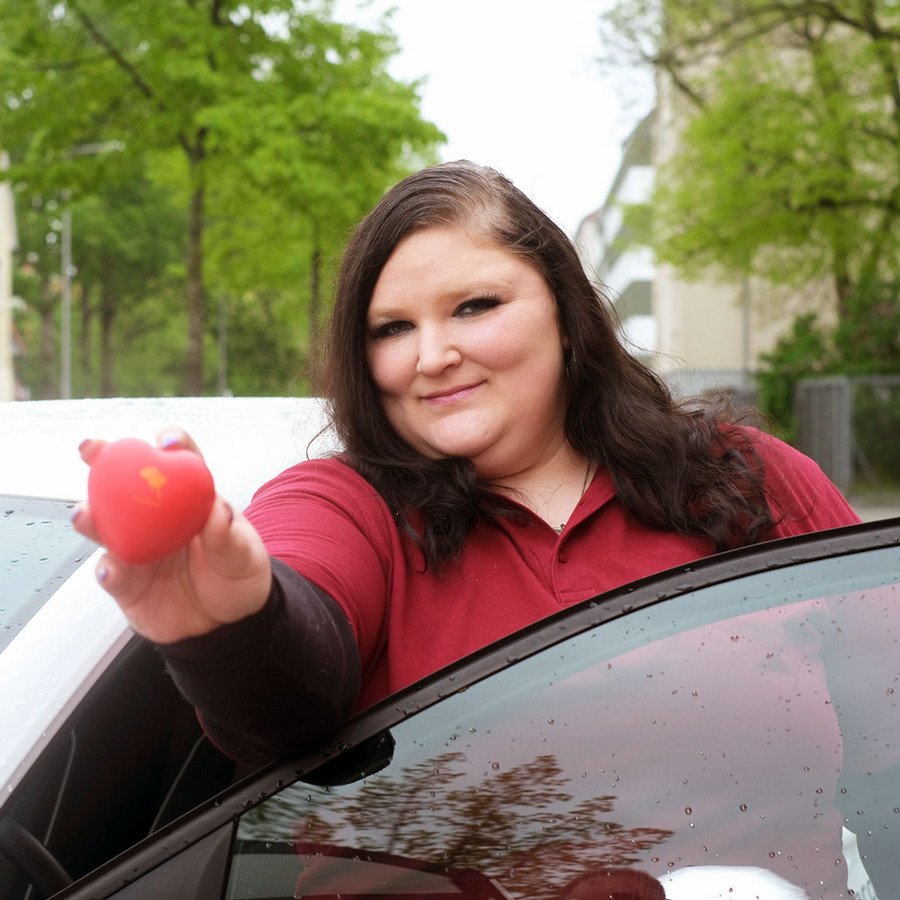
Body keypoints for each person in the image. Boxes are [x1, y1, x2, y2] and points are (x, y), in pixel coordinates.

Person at [73, 160, 860, 768]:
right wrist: (234, 624)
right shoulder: (344, 505)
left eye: (474, 307)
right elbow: (287, 698)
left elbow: (881, 730)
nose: (432, 356)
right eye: (390, 329)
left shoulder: (751, 475)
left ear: (565, 313)